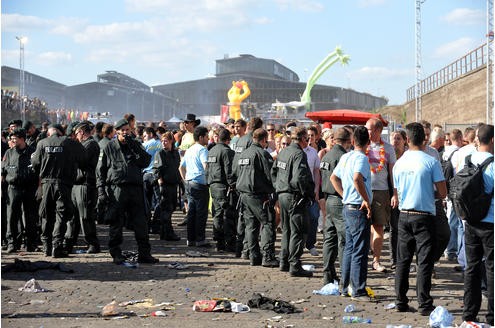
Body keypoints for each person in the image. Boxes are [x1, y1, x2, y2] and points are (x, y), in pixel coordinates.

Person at [393, 122, 447, 316]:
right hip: (424, 215)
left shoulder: (399, 163)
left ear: (407, 140)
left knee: (403, 261)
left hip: (404, 214)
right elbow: (442, 191)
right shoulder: (431, 161)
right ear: (424, 139)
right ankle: (424, 303)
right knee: (424, 261)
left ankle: (400, 301)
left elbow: (397, 191)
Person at [96, 119, 158, 264]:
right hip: (117, 189)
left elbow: (146, 162)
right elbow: (101, 171)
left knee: (141, 222)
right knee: (116, 223)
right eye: (122, 130)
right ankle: (116, 253)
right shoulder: (109, 147)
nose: (125, 132)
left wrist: (134, 146)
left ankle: (144, 253)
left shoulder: (135, 144)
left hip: (135, 189)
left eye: (127, 130)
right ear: (116, 131)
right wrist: (101, 190)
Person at [31, 123, 86, 258]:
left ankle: (46, 247)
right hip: (63, 184)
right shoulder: (69, 143)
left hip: (46, 184)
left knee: (46, 215)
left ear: (49, 133)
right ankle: (57, 246)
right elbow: (83, 158)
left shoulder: (42, 143)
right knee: (61, 215)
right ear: (61, 133)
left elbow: (35, 163)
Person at [330, 126, 372, 301]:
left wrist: (344, 194)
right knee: (359, 250)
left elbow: (334, 177)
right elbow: (357, 178)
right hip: (357, 207)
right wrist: (366, 199)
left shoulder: (346, 156)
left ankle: (343, 285)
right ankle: (357, 289)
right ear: (368, 142)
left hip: (348, 206)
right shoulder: (361, 158)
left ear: (353, 141)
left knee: (349, 247)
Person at [272, 126, 315, 277]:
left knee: (287, 230)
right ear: (303, 139)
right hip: (294, 196)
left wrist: (278, 188)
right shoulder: (298, 154)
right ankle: (295, 265)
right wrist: (305, 194)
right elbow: (300, 178)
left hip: (283, 195)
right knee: (299, 231)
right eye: (307, 139)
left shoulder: (283, 152)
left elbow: (274, 172)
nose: (308, 142)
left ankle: (284, 261)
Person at [462, 123, 493, 326]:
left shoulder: (467, 159)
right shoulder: (493, 163)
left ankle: (469, 314)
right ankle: (492, 316)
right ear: (492, 140)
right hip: (491, 222)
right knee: (492, 270)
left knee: (471, 268)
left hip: (470, 221)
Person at [234, 128, 278, 267]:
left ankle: (253, 256)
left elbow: (235, 172)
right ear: (264, 140)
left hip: (244, 194)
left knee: (251, 226)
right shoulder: (262, 154)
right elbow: (271, 175)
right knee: (267, 223)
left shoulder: (243, 154)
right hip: (258, 195)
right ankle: (267, 256)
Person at [365, 118, 397, 273]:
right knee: (364, 227)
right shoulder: (361, 146)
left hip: (381, 191)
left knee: (378, 226)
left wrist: (395, 193)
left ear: (377, 131)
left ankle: (376, 260)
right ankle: (363, 256)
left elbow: (393, 173)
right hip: (363, 190)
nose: (367, 132)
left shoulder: (389, 149)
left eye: (369, 129)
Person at [320, 127, 352, 284]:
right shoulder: (343, 157)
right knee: (344, 239)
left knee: (330, 239)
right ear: (346, 142)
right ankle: (345, 276)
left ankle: (328, 274)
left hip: (328, 199)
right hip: (339, 199)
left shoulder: (327, 156)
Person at [64, 121, 101, 254]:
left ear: (82, 132)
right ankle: (68, 242)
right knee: (72, 217)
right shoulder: (81, 145)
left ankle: (92, 243)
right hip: (76, 184)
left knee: (85, 216)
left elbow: (81, 160)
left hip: (85, 184)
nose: (76, 136)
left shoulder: (91, 144)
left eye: (77, 133)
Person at [1, 128, 38, 253]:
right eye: (11, 139)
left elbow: (39, 171)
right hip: (13, 189)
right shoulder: (9, 153)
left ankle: (30, 243)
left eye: (14, 139)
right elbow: (3, 171)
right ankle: (12, 243)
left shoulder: (33, 152)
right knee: (11, 216)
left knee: (30, 217)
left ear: (22, 139)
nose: (12, 141)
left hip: (29, 188)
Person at [179, 126, 210, 247]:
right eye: (206, 136)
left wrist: (185, 180)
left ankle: (190, 239)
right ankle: (200, 240)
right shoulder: (202, 150)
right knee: (201, 213)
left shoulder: (190, 150)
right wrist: (209, 180)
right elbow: (205, 166)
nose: (208, 138)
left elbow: (181, 167)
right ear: (201, 137)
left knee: (191, 213)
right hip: (200, 184)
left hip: (190, 183)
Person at [206, 128, 236, 252]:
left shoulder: (211, 151)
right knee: (228, 215)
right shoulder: (227, 152)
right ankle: (229, 242)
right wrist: (233, 185)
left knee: (217, 214)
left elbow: (207, 170)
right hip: (223, 187)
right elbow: (229, 171)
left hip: (213, 186)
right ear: (228, 140)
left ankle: (219, 241)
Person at [152, 131, 181, 241]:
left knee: (171, 208)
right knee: (166, 210)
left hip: (174, 185)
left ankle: (164, 232)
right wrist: (160, 182)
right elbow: (156, 169)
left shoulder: (175, 153)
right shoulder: (160, 153)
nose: (164, 143)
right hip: (165, 185)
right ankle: (167, 233)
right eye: (162, 141)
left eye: (166, 141)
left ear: (171, 141)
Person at [389, 129, 407, 269]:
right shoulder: (388, 155)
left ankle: (404, 257)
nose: (395, 141)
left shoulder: (408, 156)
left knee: (405, 229)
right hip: (391, 194)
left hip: (406, 195)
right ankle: (394, 259)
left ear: (405, 140)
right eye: (393, 138)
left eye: (398, 138)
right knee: (394, 227)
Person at [142, 127, 163, 234]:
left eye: (145, 135)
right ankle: (155, 225)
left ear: (151, 134)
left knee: (147, 202)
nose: (143, 138)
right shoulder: (160, 144)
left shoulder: (145, 145)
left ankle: (146, 225)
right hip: (156, 175)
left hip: (146, 175)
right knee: (159, 201)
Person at [304, 126, 321, 256]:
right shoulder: (295, 151)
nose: (309, 138)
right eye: (307, 135)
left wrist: (316, 189)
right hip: (298, 189)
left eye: (311, 135)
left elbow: (316, 171)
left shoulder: (313, 152)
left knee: (314, 217)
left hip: (311, 190)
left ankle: (310, 244)